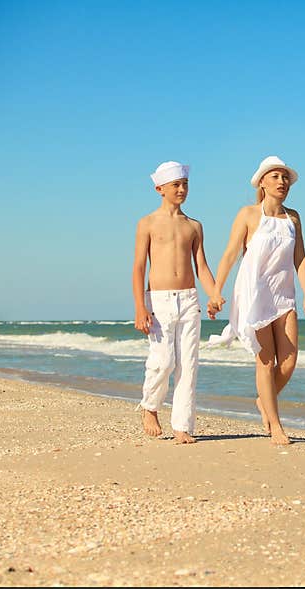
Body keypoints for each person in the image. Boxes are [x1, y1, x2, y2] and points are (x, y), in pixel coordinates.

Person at [208, 156, 305, 445]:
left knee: (288, 361)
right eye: (275, 177)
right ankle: (275, 425)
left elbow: (301, 258)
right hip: (255, 294)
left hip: (284, 294)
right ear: (262, 182)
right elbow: (230, 254)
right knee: (266, 361)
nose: (282, 182)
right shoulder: (247, 214)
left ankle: (264, 400)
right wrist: (216, 291)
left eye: (285, 178)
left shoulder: (293, 217)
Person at [132, 161, 217, 444]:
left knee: (188, 365)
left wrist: (214, 294)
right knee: (164, 360)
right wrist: (139, 306)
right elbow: (138, 268)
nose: (182, 189)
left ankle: (182, 426)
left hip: (189, 299)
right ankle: (150, 406)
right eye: (176, 185)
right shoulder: (147, 223)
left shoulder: (194, 225)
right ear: (159, 189)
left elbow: (201, 266)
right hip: (158, 300)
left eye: (185, 184)